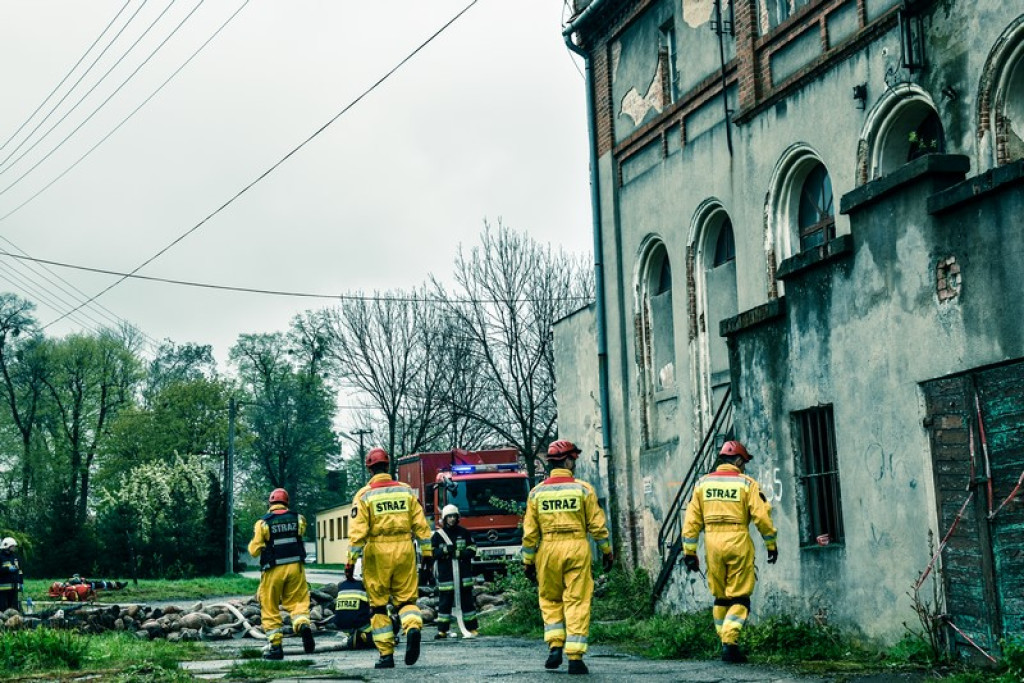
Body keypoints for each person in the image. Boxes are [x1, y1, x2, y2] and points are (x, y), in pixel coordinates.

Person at [521, 440, 613, 676]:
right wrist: (606, 551)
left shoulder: (536, 493)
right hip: (576, 547)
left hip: (548, 549)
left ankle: (554, 645)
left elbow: (530, 533)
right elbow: (597, 526)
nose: (575, 464)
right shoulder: (583, 489)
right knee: (576, 600)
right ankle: (575, 658)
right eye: (574, 459)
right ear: (568, 461)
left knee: (550, 598)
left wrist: (528, 562)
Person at [681, 440, 778, 664]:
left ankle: (724, 641)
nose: (743, 467)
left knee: (721, 596)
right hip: (737, 539)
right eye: (743, 463)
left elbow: (691, 521)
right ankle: (730, 643)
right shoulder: (746, 484)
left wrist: (690, 552)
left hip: (712, 542)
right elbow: (762, 517)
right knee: (741, 596)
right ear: (737, 461)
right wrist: (771, 545)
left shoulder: (702, 484)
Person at [346, 447, 433, 669]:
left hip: (377, 551)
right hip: (405, 547)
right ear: (388, 466)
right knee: (406, 601)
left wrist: (351, 561)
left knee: (378, 606)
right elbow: (422, 526)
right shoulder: (406, 492)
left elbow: (358, 533)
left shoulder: (364, 495)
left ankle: (386, 655)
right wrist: (428, 554)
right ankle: (412, 626)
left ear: (369, 469)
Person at [247, 487, 315, 660]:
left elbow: (254, 550)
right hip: (295, 568)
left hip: (273, 569)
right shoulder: (298, 519)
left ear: (270, 503)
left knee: (269, 606)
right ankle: (302, 625)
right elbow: (301, 533)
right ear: (286, 503)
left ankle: (276, 647)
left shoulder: (263, 523)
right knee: (298, 602)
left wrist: (259, 544)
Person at [431, 504, 479, 639]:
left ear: (458, 517)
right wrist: (445, 551)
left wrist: (461, 553)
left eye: (454, 516)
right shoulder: (438, 536)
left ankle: (472, 628)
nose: (452, 519)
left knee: (467, 602)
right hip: (446, 575)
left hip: (463, 575)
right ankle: (442, 630)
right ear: (444, 519)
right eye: (449, 517)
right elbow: (432, 552)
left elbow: (473, 548)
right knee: (445, 603)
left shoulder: (464, 532)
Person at [0, 537, 24, 612]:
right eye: (13, 546)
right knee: (3, 609)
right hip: (3, 590)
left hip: (14, 588)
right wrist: (7, 569)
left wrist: (21, 582)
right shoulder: (0, 557)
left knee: (14, 609)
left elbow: (19, 571)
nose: (14, 548)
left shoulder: (15, 557)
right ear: (7, 546)